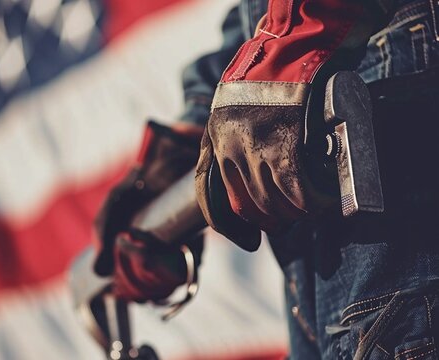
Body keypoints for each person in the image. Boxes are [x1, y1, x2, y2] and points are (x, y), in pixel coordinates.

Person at [95, 0, 439, 358]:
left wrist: (297, 43)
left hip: (398, 121)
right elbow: (254, 13)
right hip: (317, 271)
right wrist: (196, 134)